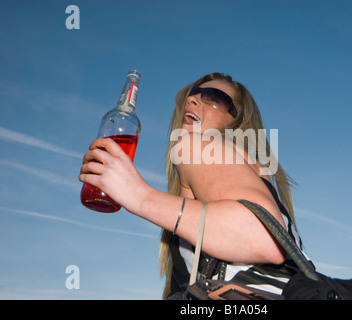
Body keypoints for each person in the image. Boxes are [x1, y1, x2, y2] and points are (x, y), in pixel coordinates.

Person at [79, 72, 301, 299]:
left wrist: (139, 196)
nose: (191, 100)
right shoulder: (252, 168)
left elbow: (263, 235)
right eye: (192, 95)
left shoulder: (198, 145)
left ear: (237, 120)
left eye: (214, 98)